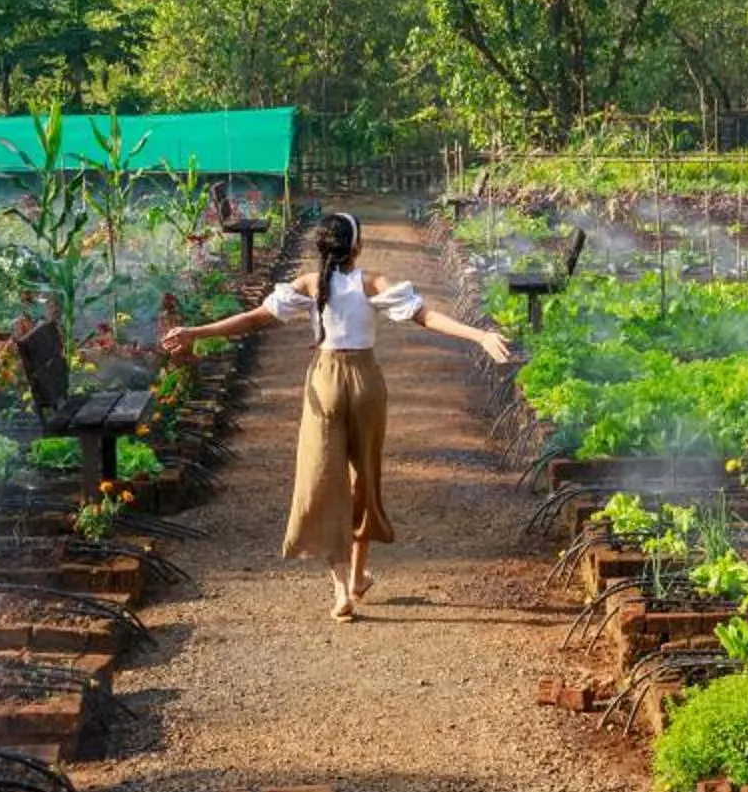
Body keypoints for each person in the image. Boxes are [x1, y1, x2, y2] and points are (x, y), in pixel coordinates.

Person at [160, 210, 514, 620]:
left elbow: (254, 319)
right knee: (363, 476)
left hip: (324, 381)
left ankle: (343, 589)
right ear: (358, 247)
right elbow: (426, 316)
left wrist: (196, 332)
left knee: (324, 481)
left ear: (321, 248)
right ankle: (360, 575)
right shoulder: (372, 283)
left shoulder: (311, 285)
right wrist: (480, 334)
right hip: (366, 381)